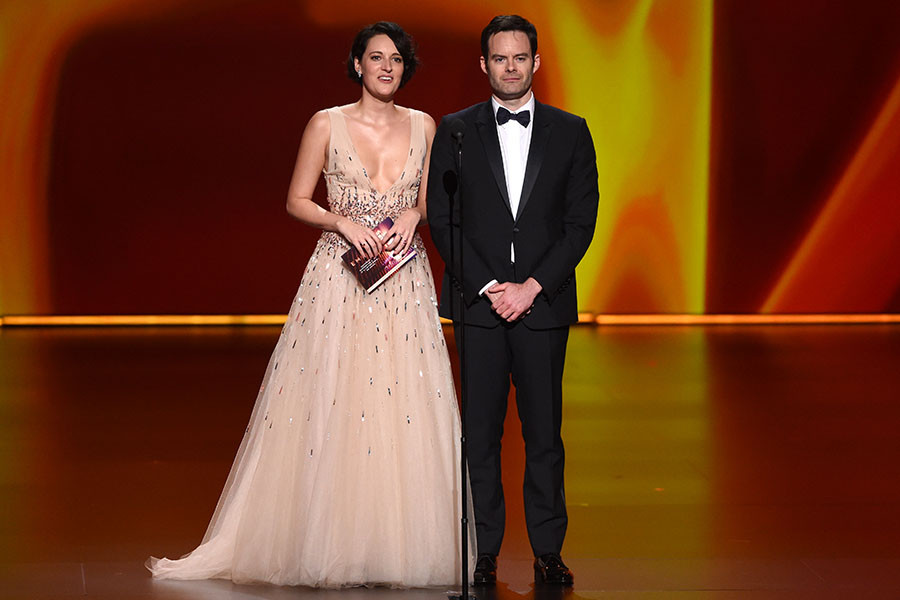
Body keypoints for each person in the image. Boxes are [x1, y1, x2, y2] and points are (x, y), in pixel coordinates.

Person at [148, 21, 474, 588]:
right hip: (338, 279)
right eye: (376, 57)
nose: (387, 67)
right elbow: (296, 199)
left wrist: (411, 216)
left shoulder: (425, 126)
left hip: (403, 280)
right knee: (333, 400)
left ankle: (392, 547)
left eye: (396, 59)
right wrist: (340, 220)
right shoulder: (326, 123)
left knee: (404, 408)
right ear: (356, 65)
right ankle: (328, 542)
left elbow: (429, 200)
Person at [427, 14, 598, 586]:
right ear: (484, 65)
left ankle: (548, 549)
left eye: (519, 57)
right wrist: (487, 285)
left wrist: (532, 287)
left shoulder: (571, 131)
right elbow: (443, 220)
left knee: (544, 434)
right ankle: (483, 550)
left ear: (536, 62)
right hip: (479, 307)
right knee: (480, 434)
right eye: (499, 58)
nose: (510, 67)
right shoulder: (453, 130)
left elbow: (580, 222)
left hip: (542, 307)